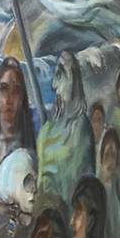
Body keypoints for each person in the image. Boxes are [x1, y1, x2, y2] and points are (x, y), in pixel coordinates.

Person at [36, 51, 94, 209]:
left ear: (75, 81)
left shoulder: (81, 128)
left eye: (62, 74)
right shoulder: (46, 130)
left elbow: (84, 187)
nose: (55, 84)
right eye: (56, 75)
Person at [0, 58, 38, 167]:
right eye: (4, 89)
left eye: (16, 91)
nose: (9, 99)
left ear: (22, 98)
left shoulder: (29, 153)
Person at [0, 149, 37, 238]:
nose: (34, 189)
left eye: (35, 181)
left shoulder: (40, 220)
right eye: (27, 182)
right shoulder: (3, 222)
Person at [97, 129, 120, 238]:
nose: (110, 161)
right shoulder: (94, 192)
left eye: (113, 155)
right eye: (107, 154)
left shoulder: (119, 194)